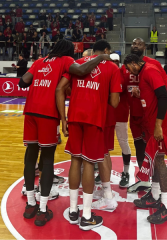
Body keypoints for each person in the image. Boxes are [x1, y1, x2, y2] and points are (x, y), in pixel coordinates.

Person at [18, 39, 112, 227]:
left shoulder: (40, 61)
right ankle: (43, 210)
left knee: (30, 157)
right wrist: (101, 57)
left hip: (30, 113)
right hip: (47, 113)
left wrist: (41, 78)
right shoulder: (66, 60)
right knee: (47, 160)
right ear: (68, 52)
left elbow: (23, 82)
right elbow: (82, 70)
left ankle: (30, 204)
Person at [55, 40, 121, 230]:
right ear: (107, 51)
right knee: (89, 163)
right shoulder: (112, 67)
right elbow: (115, 103)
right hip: (94, 118)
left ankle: (73, 210)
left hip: (75, 116)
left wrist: (63, 119)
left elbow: (60, 89)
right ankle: (86, 215)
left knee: (75, 161)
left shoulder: (78, 62)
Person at [123, 53, 167, 225]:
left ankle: (166, 207)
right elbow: (153, 97)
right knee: (153, 159)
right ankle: (154, 195)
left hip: (161, 124)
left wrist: (159, 125)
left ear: (133, 64)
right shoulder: (144, 73)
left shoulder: (150, 71)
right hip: (153, 123)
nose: (129, 71)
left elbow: (163, 96)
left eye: (128, 68)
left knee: (159, 160)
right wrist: (140, 96)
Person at [110, 53, 132, 187]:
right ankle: (102, 172)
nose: (114, 64)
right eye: (112, 61)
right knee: (104, 145)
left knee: (123, 142)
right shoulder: (109, 74)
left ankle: (126, 172)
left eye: (116, 61)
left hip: (121, 114)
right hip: (107, 114)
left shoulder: (123, 76)